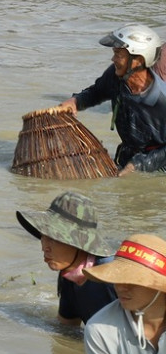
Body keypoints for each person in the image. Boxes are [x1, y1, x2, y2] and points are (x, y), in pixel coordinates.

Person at [61, 27, 166, 173]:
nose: (113, 59)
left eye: (118, 55)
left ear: (138, 60)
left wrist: (141, 164)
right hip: (128, 155)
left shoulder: (161, 99)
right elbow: (96, 92)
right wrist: (75, 101)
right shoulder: (116, 76)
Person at [15, 192, 120, 326]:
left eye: (54, 239)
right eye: (43, 236)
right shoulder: (68, 277)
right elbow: (66, 328)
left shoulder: (110, 275)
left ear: (78, 242)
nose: (44, 248)